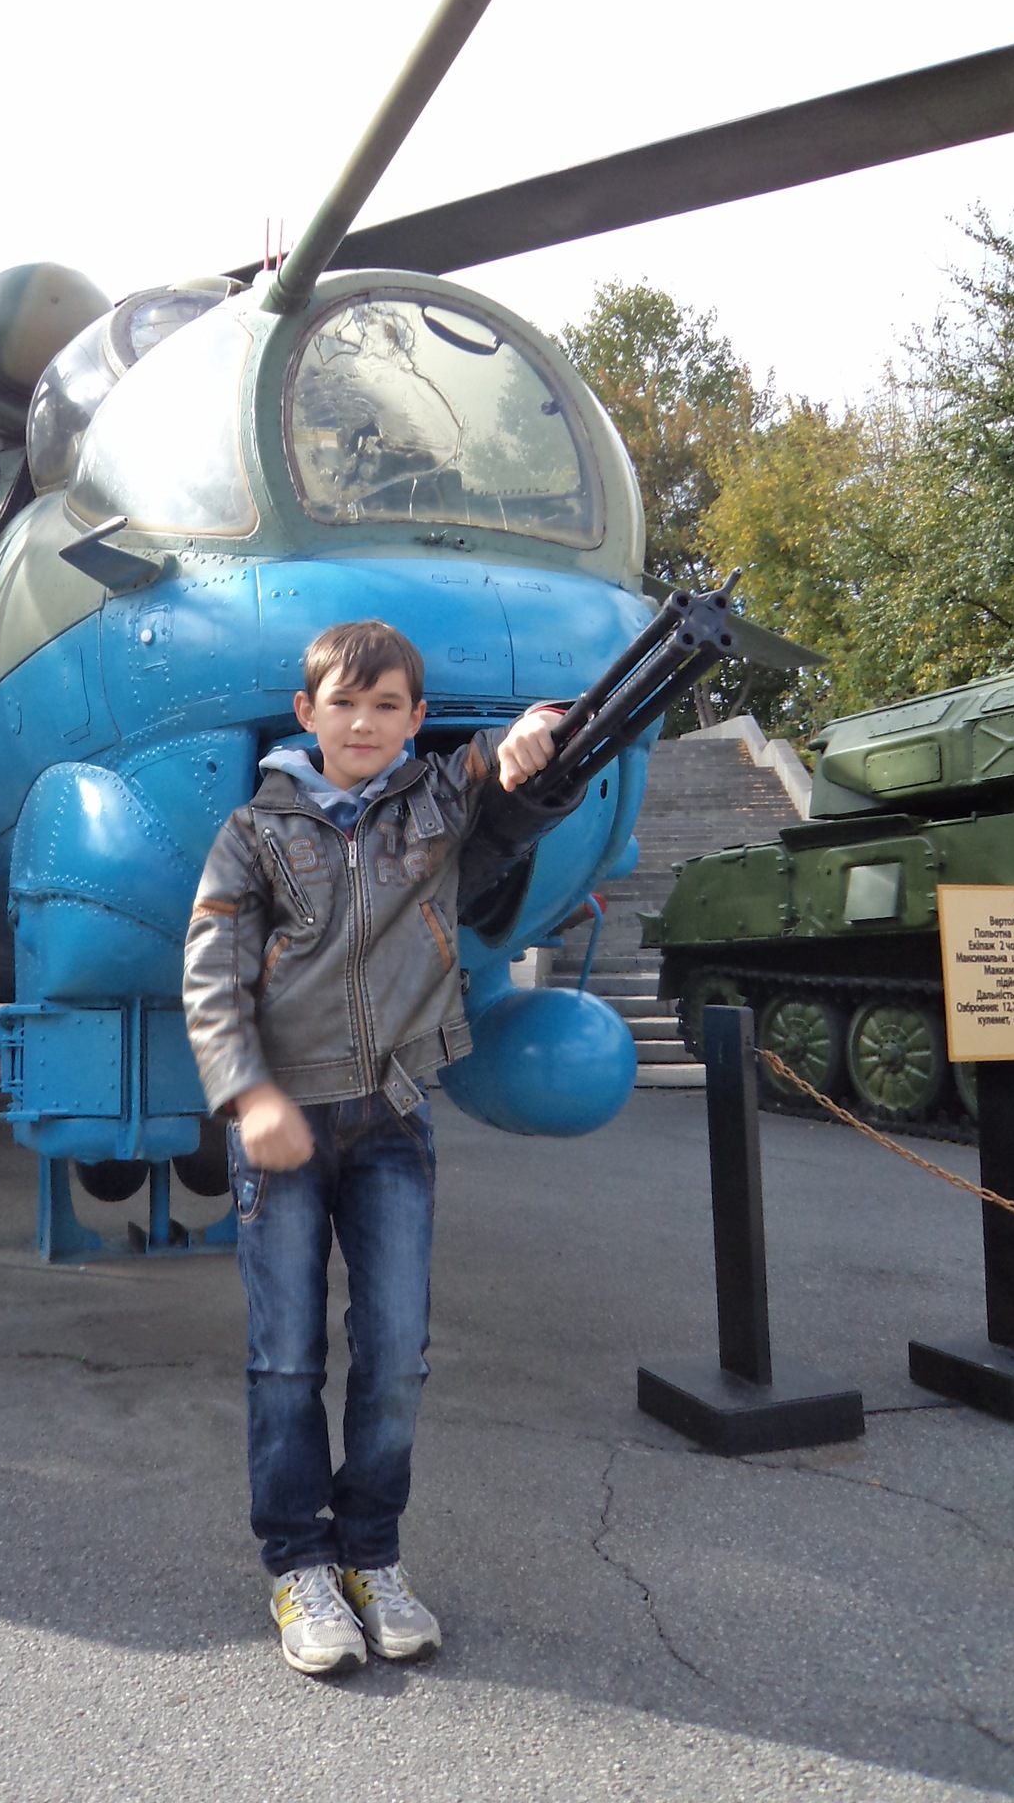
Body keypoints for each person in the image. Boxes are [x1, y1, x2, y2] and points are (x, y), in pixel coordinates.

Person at [182, 618, 576, 1676]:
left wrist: (537, 733)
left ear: (414, 719)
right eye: (345, 703)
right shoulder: (253, 833)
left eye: (388, 705)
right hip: (285, 1122)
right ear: (306, 714)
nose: (364, 722)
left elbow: (508, 779)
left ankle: (372, 1554)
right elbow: (212, 977)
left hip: (393, 1116)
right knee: (285, 1357)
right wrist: (246, 1093)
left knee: (397, 1354)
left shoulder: (435, 805)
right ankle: (298, 1562)